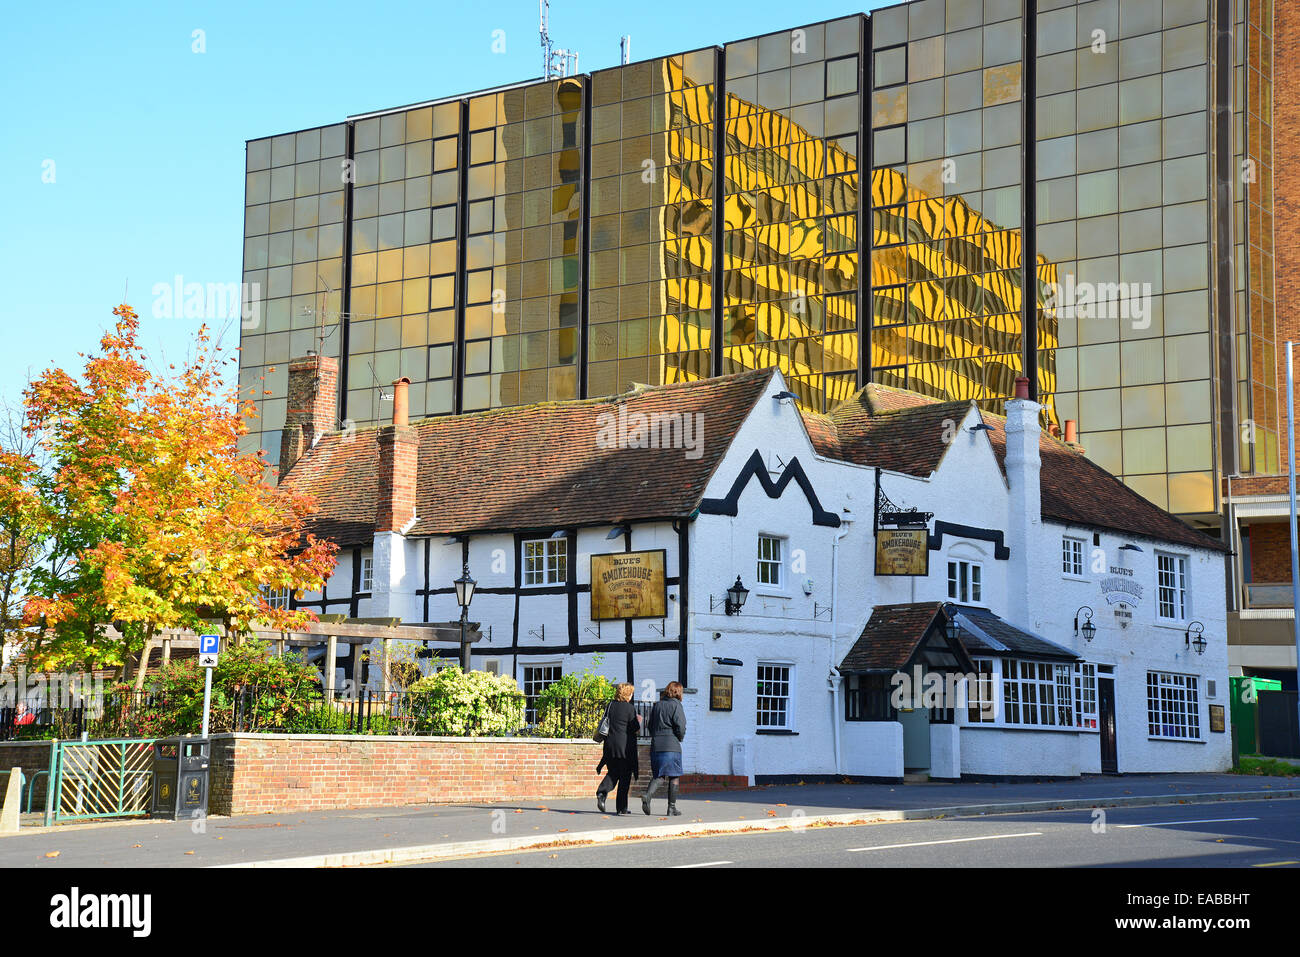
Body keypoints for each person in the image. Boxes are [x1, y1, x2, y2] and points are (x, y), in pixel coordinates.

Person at [642, 680, 686, 816]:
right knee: (674, 776)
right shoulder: (676, 705)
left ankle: (648, 795)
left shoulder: (657, 705)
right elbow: (681, 726)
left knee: (659, 775)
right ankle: (671, 807)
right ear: (678, 692)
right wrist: (680, 737)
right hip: (671, 745)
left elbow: (649, 726)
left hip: (656, 745)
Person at [595, 683, 640, 815]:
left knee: (613, 772)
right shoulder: (629, 708)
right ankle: (621, 808)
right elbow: (635, 727)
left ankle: (602, 793)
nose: (632, 695)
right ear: (628, 694)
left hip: (610, 745)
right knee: (625, 777)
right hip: (624, 747)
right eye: (631, 693)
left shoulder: (610, 705)